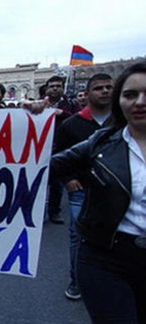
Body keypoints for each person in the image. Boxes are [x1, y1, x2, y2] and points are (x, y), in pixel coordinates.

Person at [49, 62, 146, 324]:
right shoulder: (100, 144)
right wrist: (23, 134)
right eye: (131, 94)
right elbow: (38, 168)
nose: (140, 102)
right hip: (106, 259)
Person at [53, 73, 113, 301]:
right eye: (99, 88)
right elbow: (59, 155)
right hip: (81, 191)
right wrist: (67, 179)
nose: (105, 91)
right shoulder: (72, 124)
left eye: (109, 87)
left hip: (116, 191)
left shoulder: (124, 121)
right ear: (87, 95)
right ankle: (77, 281)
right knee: (79, 237)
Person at [44, 75, 80, 224]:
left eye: (58, 86)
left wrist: (62, 114)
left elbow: (79, 120)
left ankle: (54, 212)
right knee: (37, 183)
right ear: (47, 88)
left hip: (60, 148)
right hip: (40, 149)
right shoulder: (39, 104)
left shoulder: (70, 104)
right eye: (52, 86)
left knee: (57, 184)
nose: (55, 88)